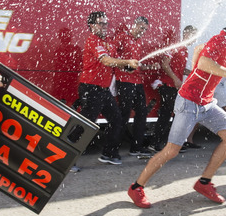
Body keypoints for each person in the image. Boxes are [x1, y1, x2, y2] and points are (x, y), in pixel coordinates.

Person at [126, 13, 226, 208]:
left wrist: (200, 70)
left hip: (206, 103)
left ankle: (204, 183)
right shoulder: (220, 40)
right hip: (189, 102)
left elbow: (200, 50)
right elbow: (204, 62)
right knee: (172, 151)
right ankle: (136, 187)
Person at [77, 12, 140, 165]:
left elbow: (115, 62)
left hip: (103, 90)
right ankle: (65, 157)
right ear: (92, 25)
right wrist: (127, 61)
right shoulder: (93, 40)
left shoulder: (109, 42)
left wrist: (127, 67)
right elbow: (106, 61)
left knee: (117, 119)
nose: (104, 26)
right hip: (90, 88)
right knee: (87, 124)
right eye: (100, 23)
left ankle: (108, 153)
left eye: (106, 23)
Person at [114, 16, 155, 157]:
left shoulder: (139, 41)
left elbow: (136, 64)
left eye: (145, 29)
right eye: (141, 27)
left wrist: (149, 66)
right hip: (124, 80)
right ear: (134, 25)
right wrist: (125, 65)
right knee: (124, 114)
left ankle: (136, 147)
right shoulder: (122, 37)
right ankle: (113, 149)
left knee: (142, 113)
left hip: (137, 82)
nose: (143, 31)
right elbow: (112, 56)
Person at [153, 25, 197, 151]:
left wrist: (194, 73)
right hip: (167, 85)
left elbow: (180, 69)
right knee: (166, 114)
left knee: (174, 114)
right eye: (194, 36)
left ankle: (170, 143)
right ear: (187, 34)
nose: (194, 40)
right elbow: (165, 64)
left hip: (174, 86)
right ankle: (157, 144)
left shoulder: (185, 50)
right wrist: (175, 79)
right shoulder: (176, 45)